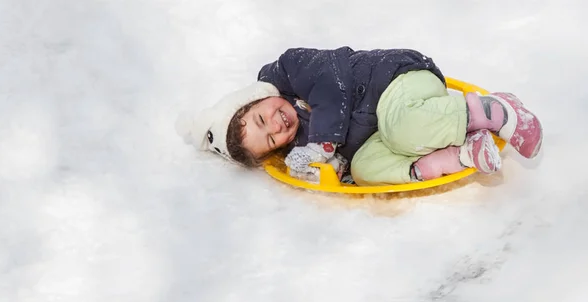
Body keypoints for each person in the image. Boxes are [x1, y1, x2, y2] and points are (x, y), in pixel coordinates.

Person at [175, 46, 542, 186]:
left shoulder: (291, 69)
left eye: (261, 119)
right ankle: (458, 153)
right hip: (386, 130)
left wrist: (321, 143)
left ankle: (493, 109)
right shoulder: (299, 143)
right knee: (367, 169)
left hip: (397, 82)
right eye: (271, 140)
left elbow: (332, 86)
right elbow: (341, 160)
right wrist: (332, 169)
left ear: (255, 99)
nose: (277, 126)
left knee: (399, 130)